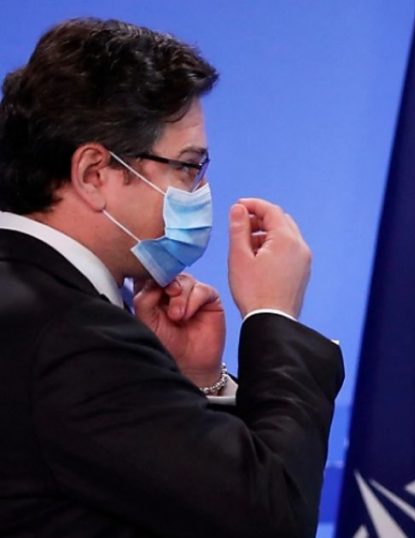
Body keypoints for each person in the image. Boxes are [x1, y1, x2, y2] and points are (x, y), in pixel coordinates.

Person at [0, 18, 343, 537]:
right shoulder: (72, 336)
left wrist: (190, 382)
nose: (200, 189)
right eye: (187, 166)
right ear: (94, 174)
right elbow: (269, 516)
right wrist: (273, 316)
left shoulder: (40, 307)